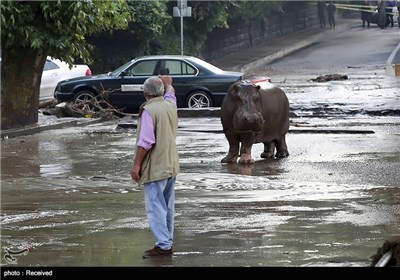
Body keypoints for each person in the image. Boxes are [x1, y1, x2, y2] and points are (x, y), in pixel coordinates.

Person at [130, 75, 180, 259]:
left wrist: (136, 165)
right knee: (167, 206)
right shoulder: (170, 105)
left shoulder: (149, 111)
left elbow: (145, 142)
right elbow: (171, 94)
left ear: (145, 93)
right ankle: (166, 242)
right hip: (171, 164)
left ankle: (164, 245)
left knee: (155, 206)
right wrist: (168, 84)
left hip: (156, 167)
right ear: (161, 92)